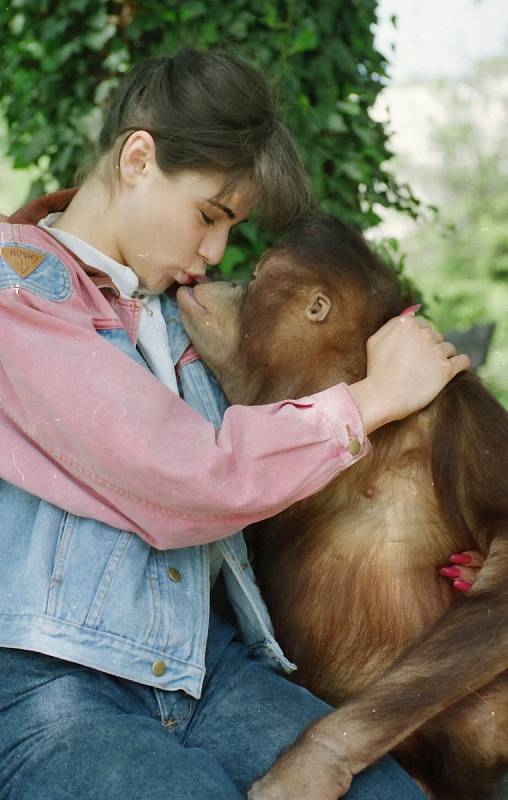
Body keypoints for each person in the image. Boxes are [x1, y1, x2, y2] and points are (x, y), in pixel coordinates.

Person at [0, 49, 470, 800]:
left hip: (209, 670)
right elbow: (186, 474)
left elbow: (284, 441)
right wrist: (375, 399)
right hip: (57, 685)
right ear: (138, 158)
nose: (215, 251)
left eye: (231, 229)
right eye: (209, 216)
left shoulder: (177, 313)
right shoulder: (17, 286)